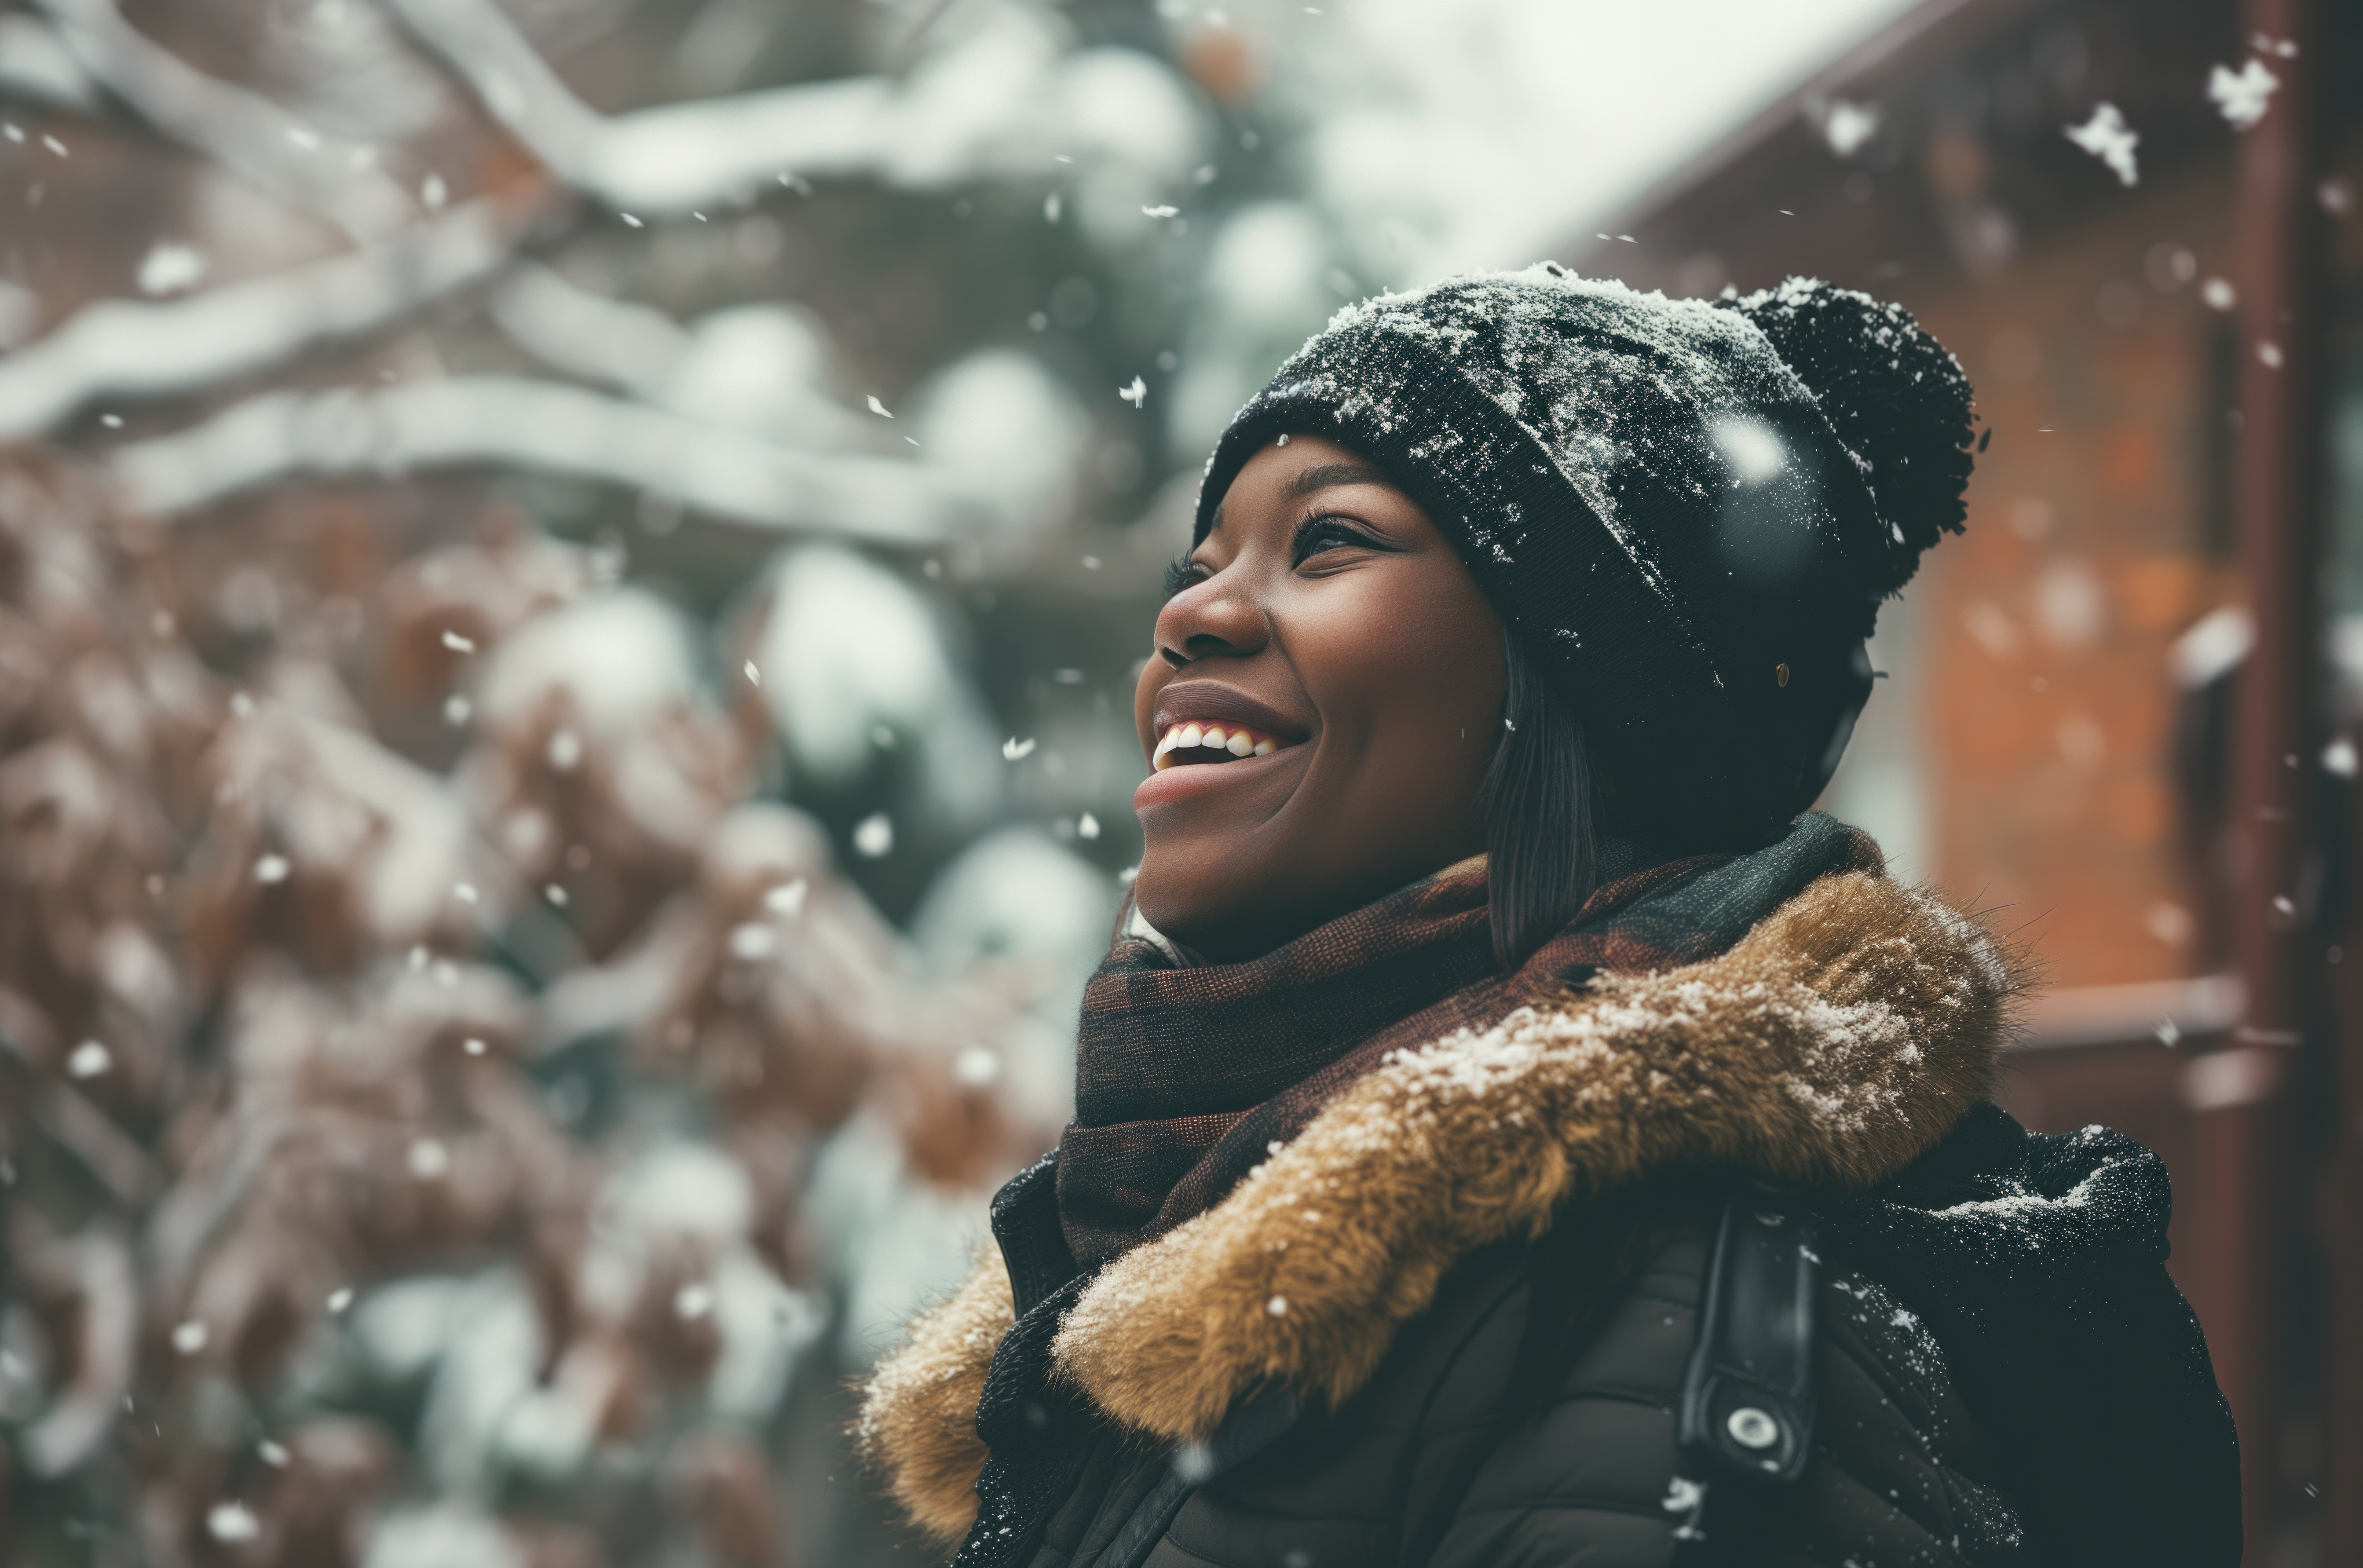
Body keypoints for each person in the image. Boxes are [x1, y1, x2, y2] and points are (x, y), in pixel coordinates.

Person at [858, 268, 2242, 1567]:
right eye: (1202, 560)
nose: (1193, 616)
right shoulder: (1196, 1247)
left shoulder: (1650, 1327)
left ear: (1582, 697)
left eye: (1328, 541)